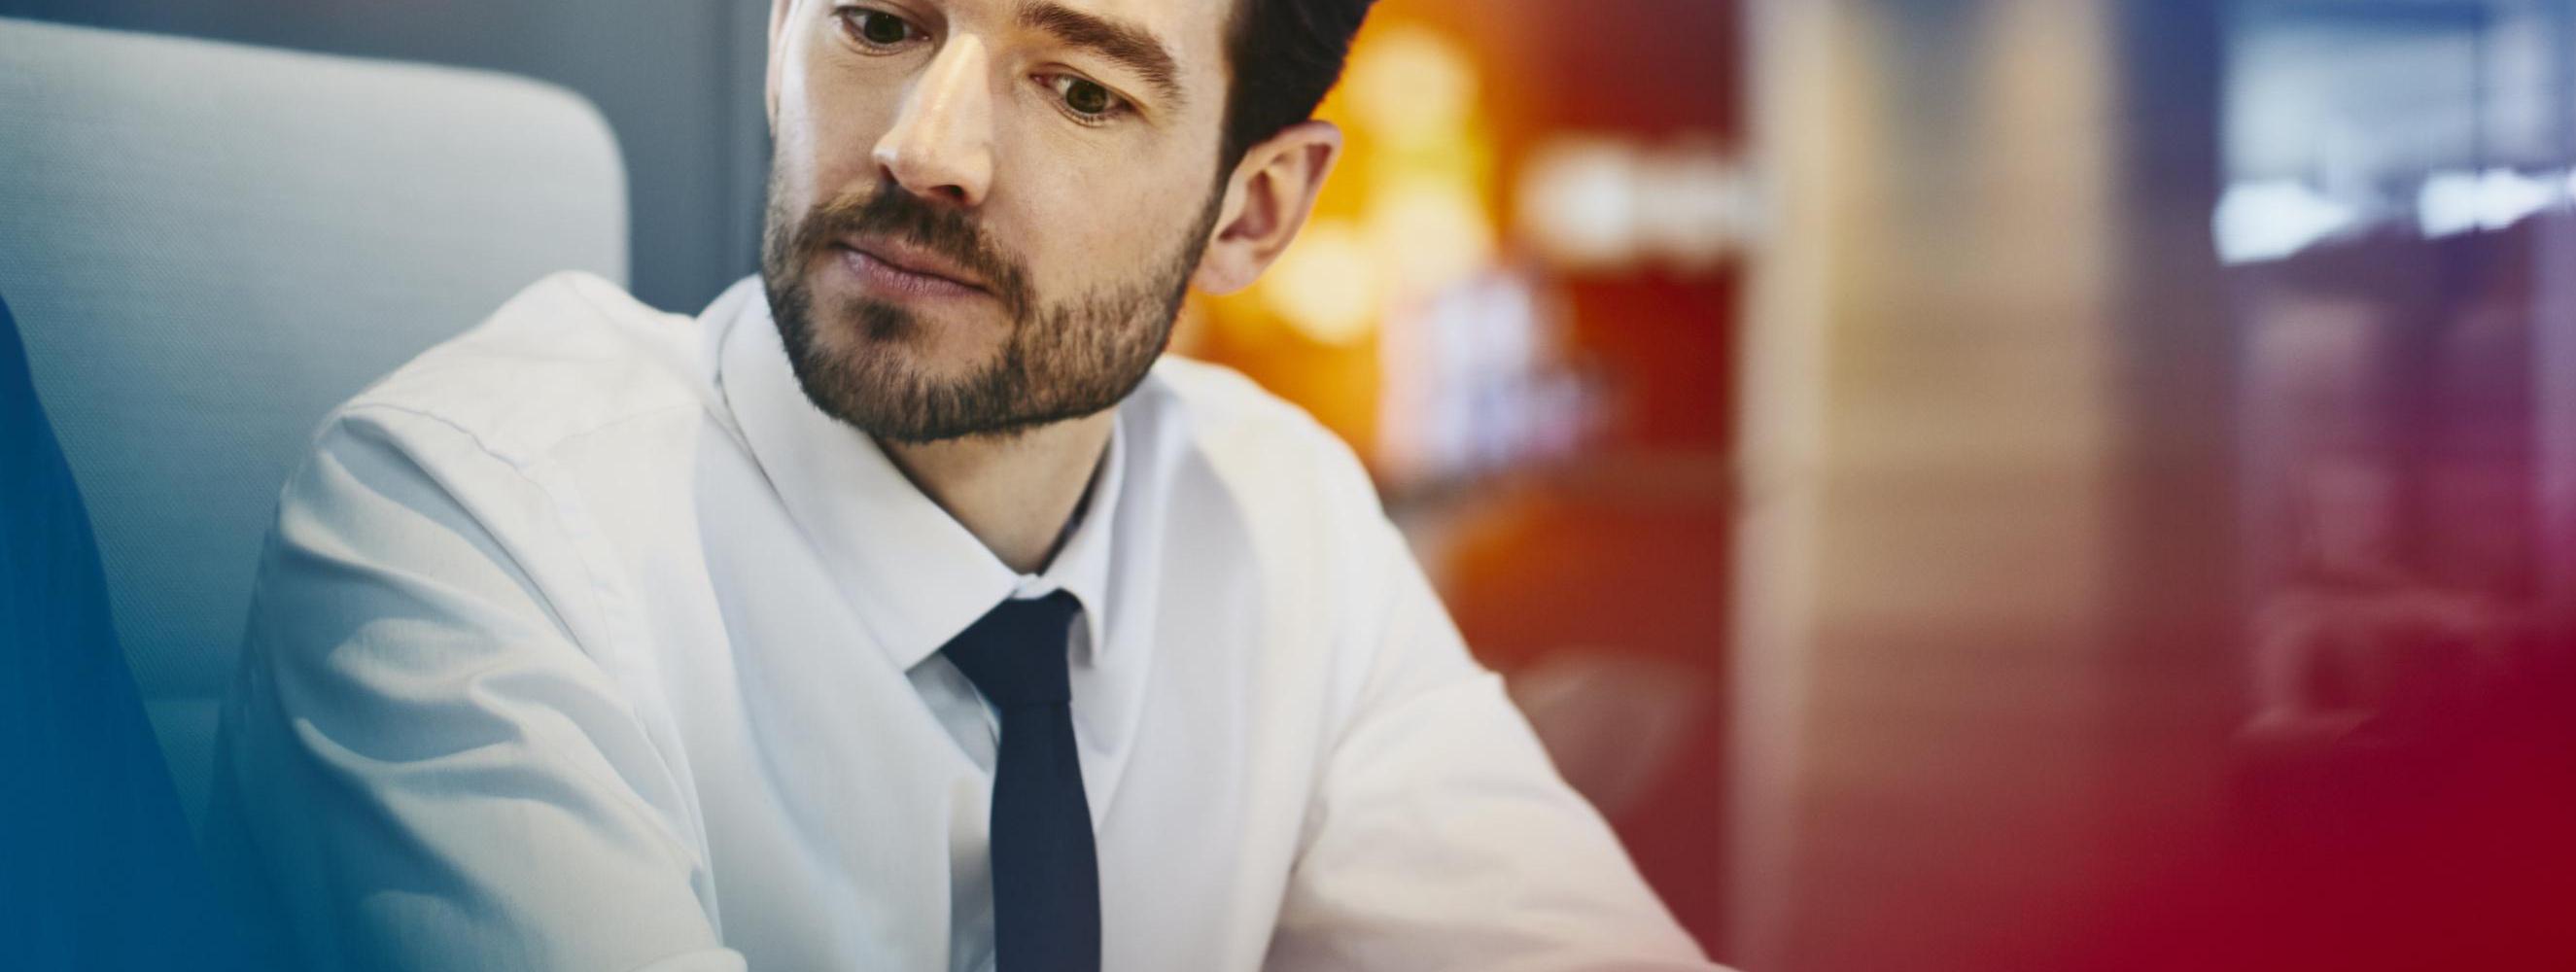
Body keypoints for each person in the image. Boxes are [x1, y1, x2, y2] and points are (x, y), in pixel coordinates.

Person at [206, 1, 1716, 969]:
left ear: (1251, 212)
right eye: (876, 22)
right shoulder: (465, 522)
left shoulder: (1284, 518)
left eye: (1077, 89)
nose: (927, 148)